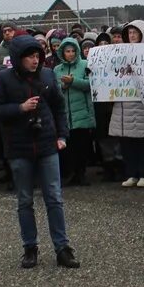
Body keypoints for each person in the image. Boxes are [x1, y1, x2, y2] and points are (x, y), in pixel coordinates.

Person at [0, 34, 78, 269]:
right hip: (18, 148)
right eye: (29, 57)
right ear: (18, 58)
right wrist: (19, 108)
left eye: (37, 56)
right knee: (25, 200)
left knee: (54, 198)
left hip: (47, 145)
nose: (35, 61)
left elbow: (59, 107)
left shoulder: (47, 75)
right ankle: (30, 247)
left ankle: (62, 248)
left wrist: (62, 135)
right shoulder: (1, 80)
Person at [110, 19, 144, 187]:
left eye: (135, 32)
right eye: (129, 33)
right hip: (123, 103)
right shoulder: (119, 52)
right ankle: (132, 173)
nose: (132, 35)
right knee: (127, 142)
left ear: (142, 33)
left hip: (142, 104)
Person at [53, 36, 95, 186]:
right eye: (67, 51)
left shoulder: (85, 64)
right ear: (62, 53)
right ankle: (71, 174)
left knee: (81, 145)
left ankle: (81, 173)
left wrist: (73, 82)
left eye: (72, 51)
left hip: (82, 111)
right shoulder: (57, 69)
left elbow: (90, 84)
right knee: (68, 148)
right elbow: (54, 89)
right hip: (65, 113)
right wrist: (62, 87)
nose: (70, 54)